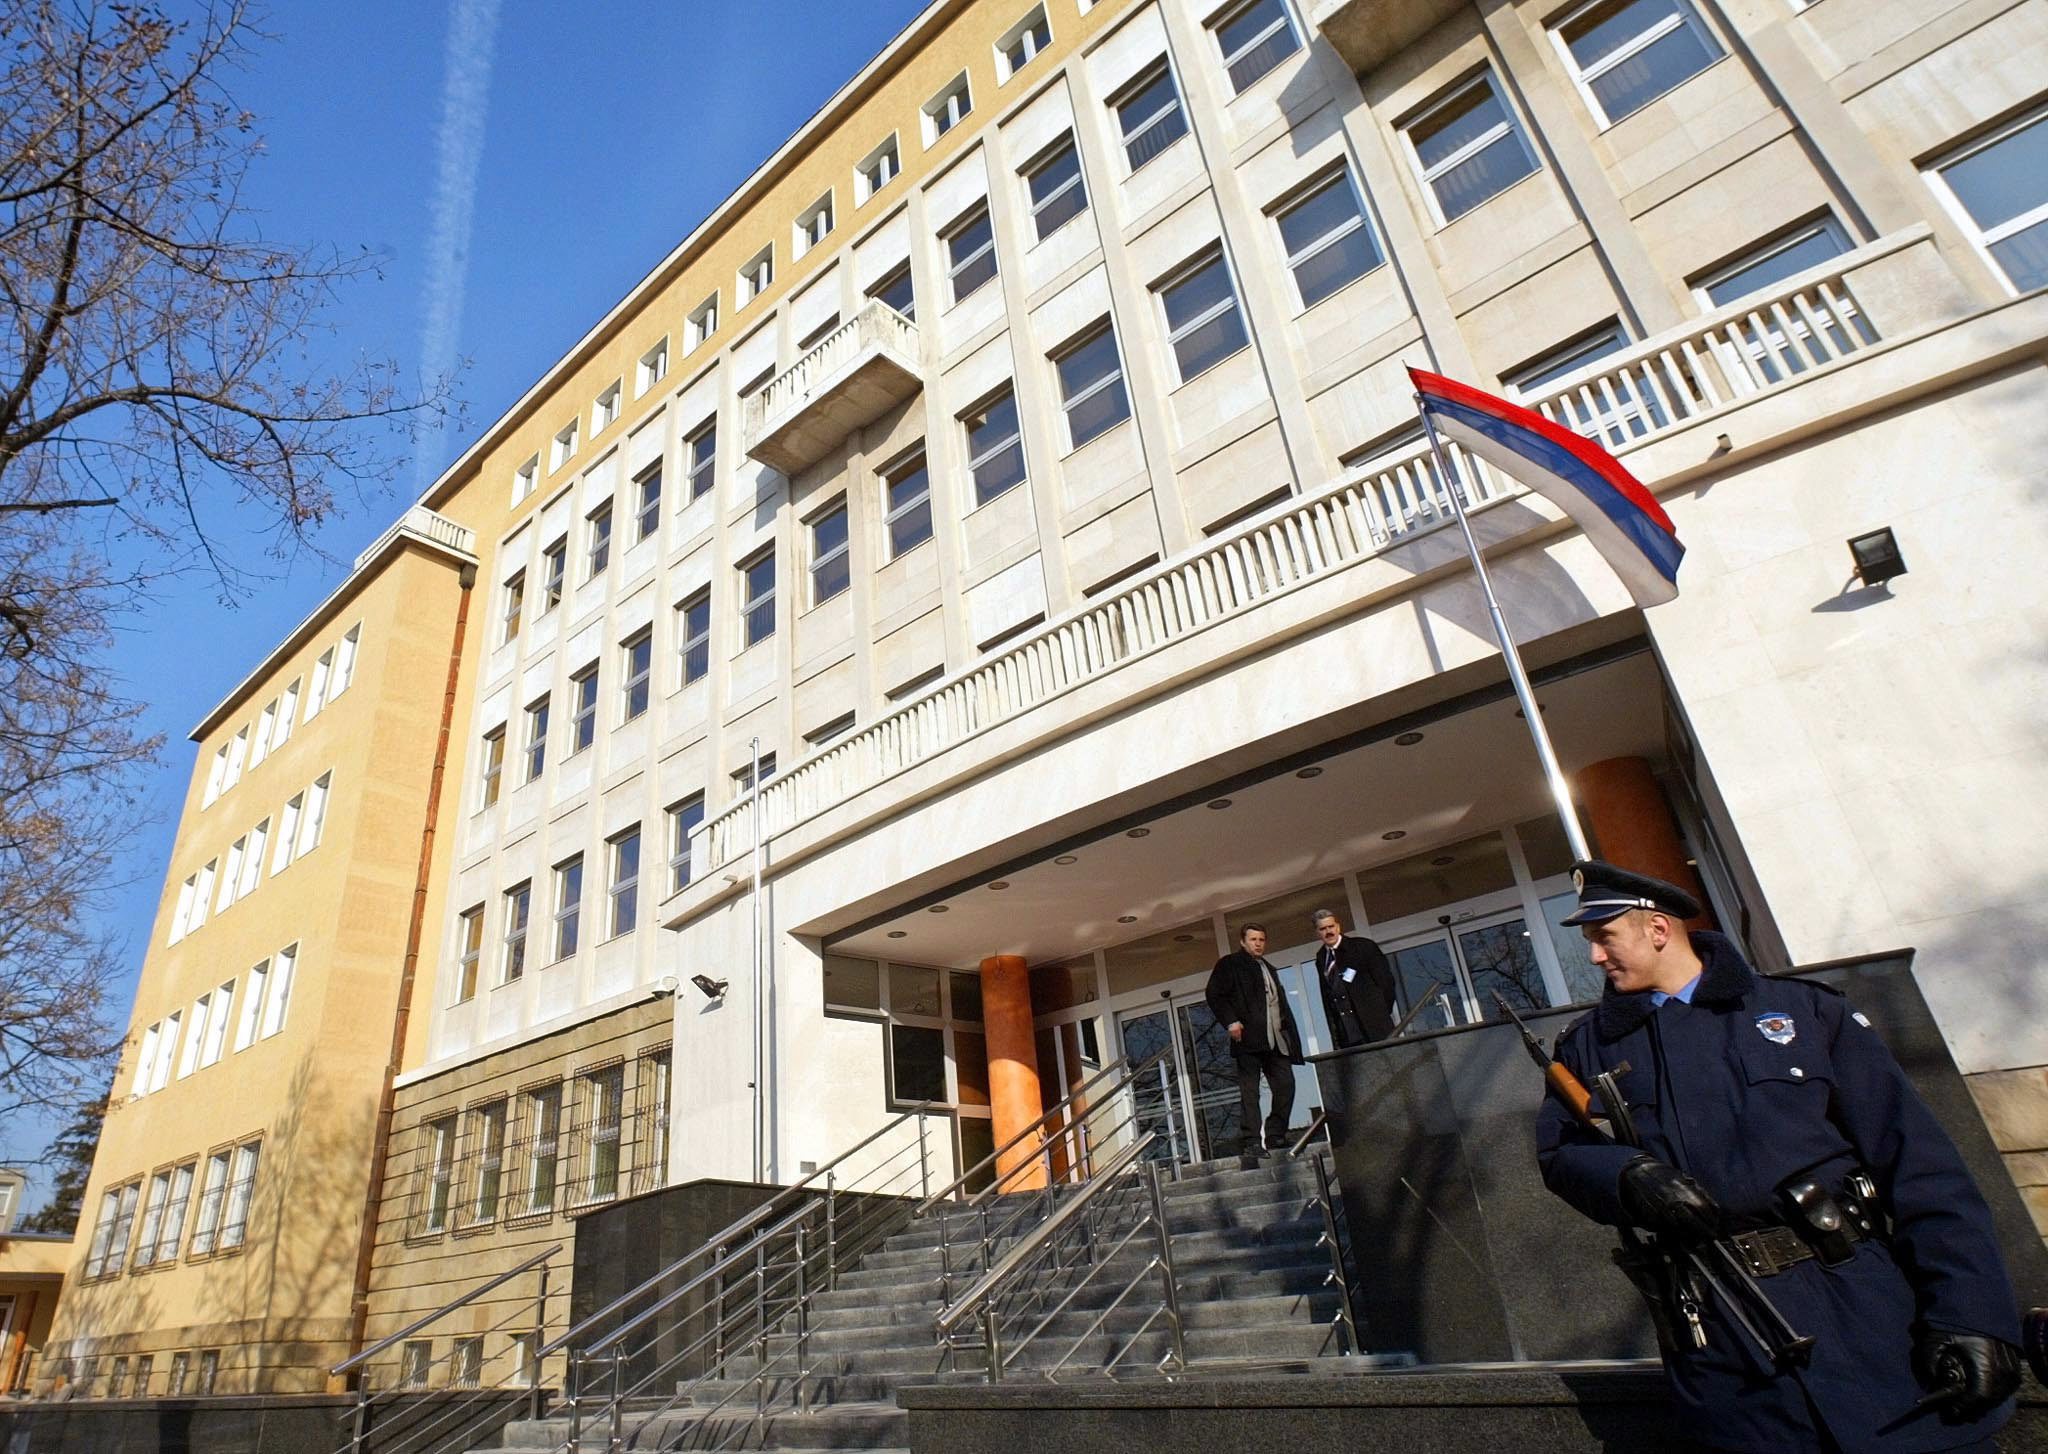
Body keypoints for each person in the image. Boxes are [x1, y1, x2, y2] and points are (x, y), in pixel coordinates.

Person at [1534, 859, 2023, 1454]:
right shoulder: (1587, 1045)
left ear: (1657, 929)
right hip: (1724, 1340)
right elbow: (1561, 1151)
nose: (1594, 958)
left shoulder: (1804, 1012)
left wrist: (1970, 1316)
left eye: (1603, 938)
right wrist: (1628, 1177)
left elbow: (1921, 1168)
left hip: (1863, 1314)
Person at [1204, 923, 1304, 1160]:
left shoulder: (1269, 967)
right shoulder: (1230, 964)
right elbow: (1214, 994)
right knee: (1250, 1093)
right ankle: (1251, 1141)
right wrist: (1231, 1022)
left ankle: (1275, 1134)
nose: (1258, 943)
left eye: (1261, 939)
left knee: (1286, 1085)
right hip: (1248, 1039)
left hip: (1276, 1040)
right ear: (1242, 941)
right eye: (1253, 939)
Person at [1310, 908, 1398, 1048]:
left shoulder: (1363, 947)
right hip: (1348, 1033)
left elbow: (1386, 983)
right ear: (1317, 933)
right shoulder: (1321, 958)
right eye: (1323, 929)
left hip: (1375, 1026)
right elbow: (1328, 996)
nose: (1328, 932)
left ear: (1338, 926)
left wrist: (1379, 1012)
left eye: (1331, 926)